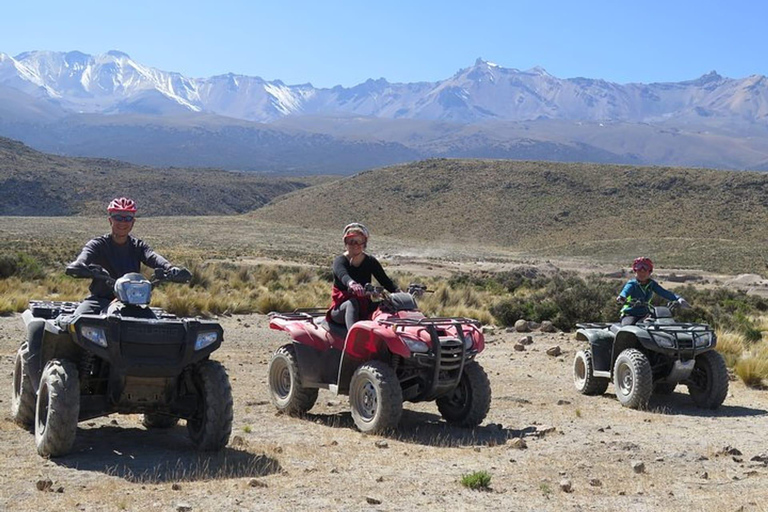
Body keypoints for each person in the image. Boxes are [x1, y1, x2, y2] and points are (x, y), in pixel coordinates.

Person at [66, 197, 182, 315]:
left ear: (133, 222)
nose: (122, 222)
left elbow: (152, 256)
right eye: (118, 217)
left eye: (127, 218)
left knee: (154, 324)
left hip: (132, 303)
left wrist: (169, 267)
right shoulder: (99, 244)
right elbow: (86, 253)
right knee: (78, 320)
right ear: (110, 220)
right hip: (101, 300)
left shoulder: (138, 246)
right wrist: (79, 264)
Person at [327, 223, 399, 330]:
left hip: (365, 305)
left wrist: (400, 294)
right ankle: (354, 340)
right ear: (345, 243)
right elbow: (343, 275)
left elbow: (385, 281)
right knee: (352, 303)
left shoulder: (370, 261)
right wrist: (352, 284)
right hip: (341, 309)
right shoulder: (340, 261)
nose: (355, 245)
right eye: (351, 241)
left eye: (359, 241)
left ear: (364, 243)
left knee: (389, 304)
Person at [616, 257, 689, 325]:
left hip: (646, 314)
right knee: (628, 328)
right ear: (635, 271)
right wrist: (621, 297)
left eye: (645, 271)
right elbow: (625, 291)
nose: (642, 273)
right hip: (630, 314)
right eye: (639, 271)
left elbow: (664, 292)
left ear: (650, 272)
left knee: (660, 325)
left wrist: (678, 298)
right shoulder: (632, 284)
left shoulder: (652, 284)